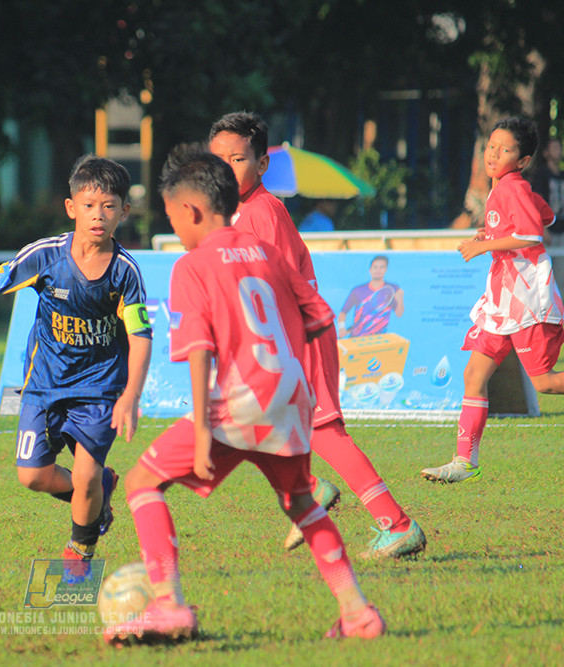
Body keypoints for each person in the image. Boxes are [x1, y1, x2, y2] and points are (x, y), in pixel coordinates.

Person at [103, 145, 385, 644]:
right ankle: (358, 612)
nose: (175, 229)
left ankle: (168, 606)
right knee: (302, 503)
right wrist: (306, 389)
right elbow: (320, 319)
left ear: (190, 210)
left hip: (238, 401)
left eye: (172, 217)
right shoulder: (268, 252)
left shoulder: (191, 266)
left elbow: (199, 351)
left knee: (142, 481)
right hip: (291, 395)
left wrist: (204, 430)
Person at [0, 155, 152, 578]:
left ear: (124, 212)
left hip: (99, 391)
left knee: (86, 476)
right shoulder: (45, 256)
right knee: (32, 476)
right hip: (43, 388)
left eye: (109, 206)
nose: (99, 215)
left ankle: (80, 551)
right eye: (89, 205)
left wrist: (130, 394)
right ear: (71, 207)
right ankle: (98, 491)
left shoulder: (125, 271)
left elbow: (140, 335)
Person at [208, 111, 425, 559]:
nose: (227, 170)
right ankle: (310, 489)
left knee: (324, 431)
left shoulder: (264, 212)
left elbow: (276, 285)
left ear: (262, 164)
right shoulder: (234, 213)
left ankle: (397, 525)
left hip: (297, 335)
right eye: (218, 161)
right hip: (274, 338)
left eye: (238, 159)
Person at [422, 117, 564, 483]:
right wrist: (496, 231)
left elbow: (533, 235)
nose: (494, 154)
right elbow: (545, 214)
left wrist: (483, 244)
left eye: (506, 149)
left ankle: (464, 460)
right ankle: (464, 461)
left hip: (525, 297)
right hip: (501, 299)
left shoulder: (510, 187)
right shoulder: (507, 185)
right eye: (491, 146)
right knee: (474, 374)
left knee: (545, 384)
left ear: (523, 159)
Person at [337, 255, 405, 338]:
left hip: (379, 340)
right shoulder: (358, 291)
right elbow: (343, 313)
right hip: (357, 338)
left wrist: (400, 298)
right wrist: (341, 329)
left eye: (381, 267)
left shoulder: (391, 289)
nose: (378, 270)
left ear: (386, 269)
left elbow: (399, 314)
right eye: (375, 267)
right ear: (370, 270)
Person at [529, 136, 563, 244]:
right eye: (554, 148)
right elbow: (536, 202)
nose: (557, 151)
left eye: (559, 147)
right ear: (546, 153)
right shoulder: (541, 174)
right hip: (548, 230)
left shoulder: (562, 175)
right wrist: (543, 229)